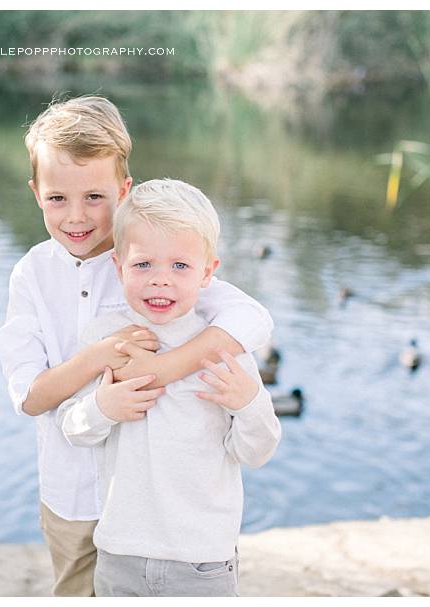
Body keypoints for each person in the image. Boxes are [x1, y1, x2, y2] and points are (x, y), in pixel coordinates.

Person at [0, 96, 273, 597]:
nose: (77, 216)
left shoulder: (155, 260)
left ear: (124, 191)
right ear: (36, 193)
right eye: (58, 198)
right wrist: (97, 359)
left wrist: (163, 370)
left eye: (95, 197)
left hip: (162, 509)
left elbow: (251, 318)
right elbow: (31, 398)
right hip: (72, 494)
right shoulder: (32, 275)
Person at [57, 178, 282, 597]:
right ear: (118, 266)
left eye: (180, 266)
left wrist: (249, 404)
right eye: (144, 265)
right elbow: (72, 428)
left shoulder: (223, 349)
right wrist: (103, 406)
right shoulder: (105, 339)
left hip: (201, 559)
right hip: (120, 553)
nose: (160, 281)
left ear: (207, 273)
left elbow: (256, 451)